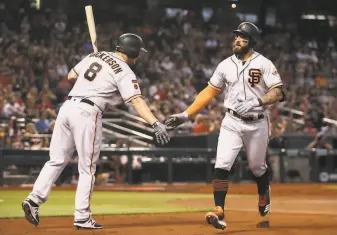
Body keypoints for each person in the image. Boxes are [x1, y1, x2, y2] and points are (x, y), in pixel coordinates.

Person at [21, 33, 170, 230]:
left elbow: (71, 76)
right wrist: (154, 123)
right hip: (87, 112)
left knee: (56, 160)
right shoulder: (124, 70)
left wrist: (97, 62)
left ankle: (34, 199)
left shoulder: (94, 56)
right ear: (133, 52)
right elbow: (136, 101)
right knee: (87, 168)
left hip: (66, 108)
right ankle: (82, 216)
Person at [165, 22, 286, 230]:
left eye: (242, 37)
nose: (237, 40)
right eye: (236, 36)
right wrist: (186, 114)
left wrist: (257, 101)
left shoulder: (264, 63)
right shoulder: (225, 65)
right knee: (222, 164)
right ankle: (219, 210)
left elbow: (279, 92)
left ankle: (263, 192)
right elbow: (209, 92)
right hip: (232, 120)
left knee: (257, 167)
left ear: (252, 41)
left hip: (257, 122)